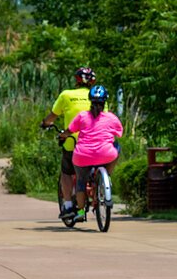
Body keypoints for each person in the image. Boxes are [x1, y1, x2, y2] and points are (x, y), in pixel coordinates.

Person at [41, 67, 95, 217]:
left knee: (66, 172)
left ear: (76, 80)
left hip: (73, 142)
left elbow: (53, 116)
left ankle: (68, 205)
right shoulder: (98, 96)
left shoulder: (66, 95)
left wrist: (45, 123)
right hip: (95, 142)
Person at [65, 85, 123, 211]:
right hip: (106, 155)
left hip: (83, 156)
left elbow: (69, 131)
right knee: (117, 146)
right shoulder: (111, 117)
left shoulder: (82, 116)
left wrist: (62, 135)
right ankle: (107, 174)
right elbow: (119, 133)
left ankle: (80, 212)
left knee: (81, 180)